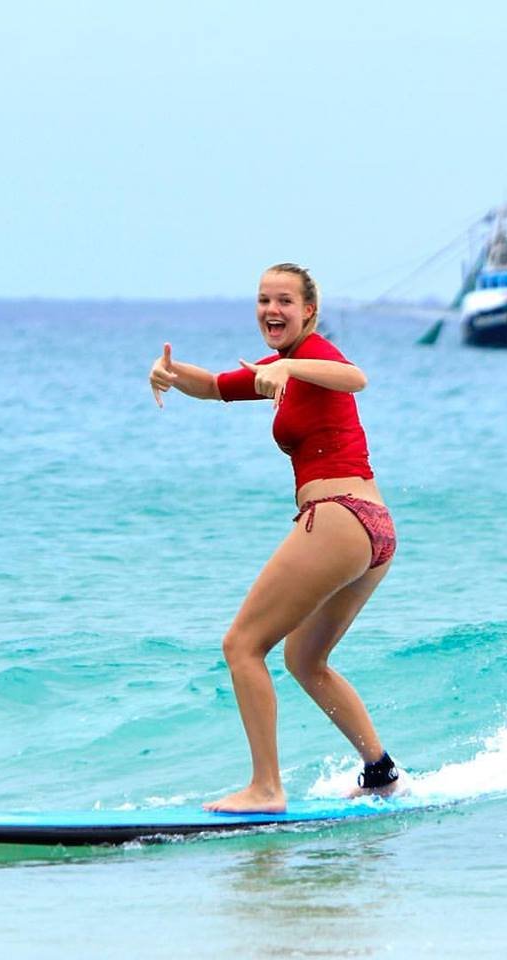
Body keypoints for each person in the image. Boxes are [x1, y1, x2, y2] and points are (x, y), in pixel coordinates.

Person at [148, 263, 399, 813]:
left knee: (242, 645)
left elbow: (357, 378)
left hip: (339, 517)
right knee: (304, 659)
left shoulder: (316, 358)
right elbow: (215, 386)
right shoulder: (285, 366)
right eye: (263, 300)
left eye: (284, 300)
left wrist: (294, 368)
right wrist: (170, 372)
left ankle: (266, 788)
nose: (271, 310)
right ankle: (380, 772)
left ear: (309, 310)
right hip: (374, 529)